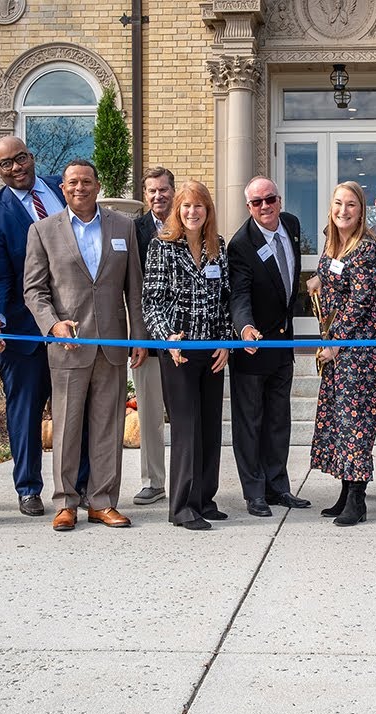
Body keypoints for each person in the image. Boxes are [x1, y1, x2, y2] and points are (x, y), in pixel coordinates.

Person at [23, 159, 148, 532]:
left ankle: (102, 502)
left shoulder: (122, 226)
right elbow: (34, 290)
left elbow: (134, 289)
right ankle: (65, 503)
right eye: (73, 182)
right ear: (62, 188)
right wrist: (52, 324)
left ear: (97, 186)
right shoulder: (43, 230)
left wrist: (138, 337)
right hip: (69, 346)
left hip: (112, 343)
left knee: (108, 426)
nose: (80, 188)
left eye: (87, 182)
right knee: (66, 426)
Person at [0, 136, 91, 519]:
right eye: (6, 164)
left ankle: (80, 484)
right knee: (25, 411)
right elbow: (0, 276)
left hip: (74, 325)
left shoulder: (64, 189)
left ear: (32, 156)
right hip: (24, 331)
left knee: (75, 409)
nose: (17, 167)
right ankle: (28, 487)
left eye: (21, 158)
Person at [141, 181, 233, 531]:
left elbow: (226, 300)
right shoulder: (162, 246)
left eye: (199, 206)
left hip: (212, 351)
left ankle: (204, 499)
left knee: (210, 427)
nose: (192, 212)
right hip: (178, 352)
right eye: (186, 206)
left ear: (208, 211)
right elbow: (151, 303)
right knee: (186, 428)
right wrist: (168, 339)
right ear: (177, 211)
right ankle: (182, 507)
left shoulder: (217, 246)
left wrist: (226, 341)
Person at [227, 176, 311, 517]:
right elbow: (239, 294)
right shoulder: (241, 244)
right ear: (249, 207)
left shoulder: (291, 225)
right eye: (257, 202)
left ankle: (278, 487)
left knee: (278, 420)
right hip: (253, 347)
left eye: (270, 199)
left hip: (282, 344)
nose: (265, 206)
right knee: (250, 423)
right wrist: (245, 327)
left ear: (279, 199)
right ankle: (254, 493)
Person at [310, 181, 376, 527]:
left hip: (359, 352)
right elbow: (332, 282)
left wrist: (336, 342)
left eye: (351, 204)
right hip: (337, 350)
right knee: (340, 422)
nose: (344, 210)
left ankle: (358, 499)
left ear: (362, 211)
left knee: (357, 423)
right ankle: (345, 491)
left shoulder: (366, 249)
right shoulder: (333, 246)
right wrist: (317, 279)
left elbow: (360, 302)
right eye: (339, 203)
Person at [130, 167, 173, 506]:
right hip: (148, 341)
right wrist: (138, 337)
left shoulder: (192, 222)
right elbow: (130, 287)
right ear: (145, 195)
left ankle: (191, 481)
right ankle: (153, 481)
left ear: (173, 191)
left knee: (187, 416)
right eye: (152, 191)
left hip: (187, 339)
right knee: (150, 416)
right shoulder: (134, 231)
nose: (158, 196)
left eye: (163, 189)